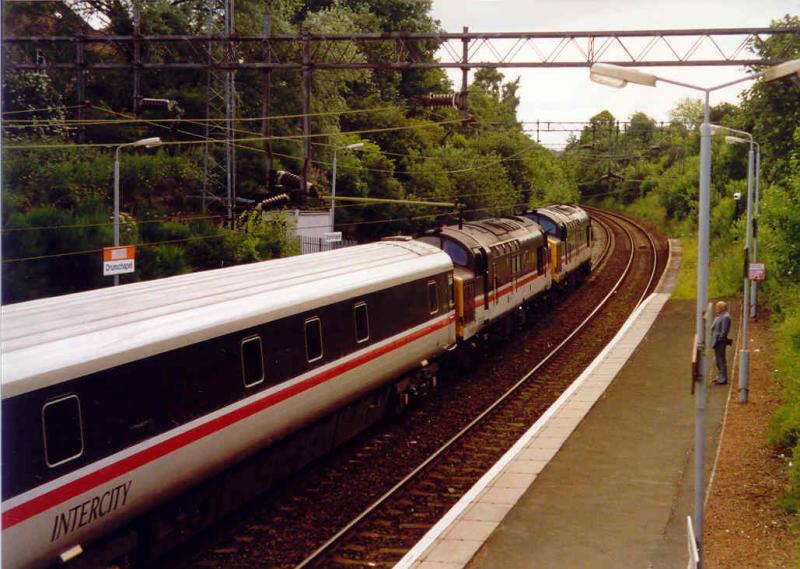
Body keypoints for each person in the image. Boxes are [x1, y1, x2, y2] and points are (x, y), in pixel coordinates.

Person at [711, 300, 732, 385]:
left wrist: (719, 339)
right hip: (717, 341)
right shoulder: (720, 316)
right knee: (718, 360)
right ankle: (720, 376)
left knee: (721, 360)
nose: (716, 308)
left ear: (722, 308)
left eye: (718, 307)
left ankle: (723, 378)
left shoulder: (725, 317)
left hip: (720, 342)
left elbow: (724, 331)